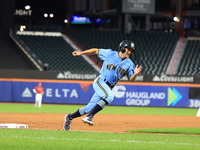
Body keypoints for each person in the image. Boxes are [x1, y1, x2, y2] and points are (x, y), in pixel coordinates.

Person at [63, 40, 143, 130]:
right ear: (122, 48)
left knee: (88, 108)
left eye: (131, 51)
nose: (130, 52)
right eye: (128, 49)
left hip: (108, 87)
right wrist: (81, 53)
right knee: (109, 97)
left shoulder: (130, 64)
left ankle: (69, 117)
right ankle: (90, 116)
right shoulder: (110, 53)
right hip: (101, 81)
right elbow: (96, 51)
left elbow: (131, 80)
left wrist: (135, 74)